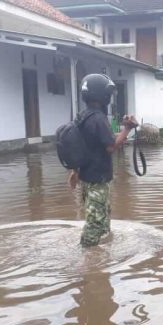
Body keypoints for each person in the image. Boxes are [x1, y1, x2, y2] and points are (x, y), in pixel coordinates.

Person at [67, 74, 138, 247]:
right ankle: (88, 259)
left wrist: (75, 171)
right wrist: (128, 129)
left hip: (86, 177)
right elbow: (111, 146)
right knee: (96, 221)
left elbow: (94, 141)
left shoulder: (83, 116)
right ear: (103, 95)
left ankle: (103, 253)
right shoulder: (99, 118)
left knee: (102, 214)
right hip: (97, 179)